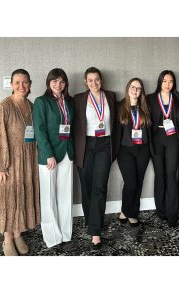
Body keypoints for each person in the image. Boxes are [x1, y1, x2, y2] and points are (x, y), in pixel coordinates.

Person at [0, 69, 40, 256]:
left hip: (28, 160)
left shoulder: (32, 106)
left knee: (23, 197)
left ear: (30, 84)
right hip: (9, 161)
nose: (22, 86)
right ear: (11, 84)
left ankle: (18, 234)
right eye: (17, 82)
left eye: (25, 82)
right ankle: (7, 240)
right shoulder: (3, 107)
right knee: (8, 199)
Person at [73, 67, 116, 249]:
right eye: (90, 80)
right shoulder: (78, 99)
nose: (94, 83)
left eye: (96, 79)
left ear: (101, 80)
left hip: (105, 145)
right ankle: (92, 220)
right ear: (85, 82)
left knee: (99, 187)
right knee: (87, 186)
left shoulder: (111, 97)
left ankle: (95, 232)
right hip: (86, 146)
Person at [33, 68, 74, 248]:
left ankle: (65, 233)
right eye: (55, 81)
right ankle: (52, 236)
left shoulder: (70, 102)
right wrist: (48, 154)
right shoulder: (41, 102)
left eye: (62, 81)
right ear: (49, 82)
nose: (59, 84)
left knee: (65, 195)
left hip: (67, 152)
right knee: (48, 197)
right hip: (49, 155)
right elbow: (39, 130)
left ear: (66, 84)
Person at [146, 70, 179, 227]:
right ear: (159, 82)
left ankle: (172, 213)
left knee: (171, 175)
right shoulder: (150, 99)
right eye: (165, 81)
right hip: (157, 138)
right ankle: (161, 210)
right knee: (159, 175)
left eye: (171, 81)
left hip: (173, 138)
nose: (168, 84)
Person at [116, 78, 152, 226]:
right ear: (128, 88)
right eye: (132, 87)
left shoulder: (145, 107)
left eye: (138, 88)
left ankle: (129, 213)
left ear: (141, 91)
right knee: (131, 183)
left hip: (143, 149)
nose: (135, 90)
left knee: (139, 182)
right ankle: (127, 210)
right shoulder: (119, 106)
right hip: (125, 150)